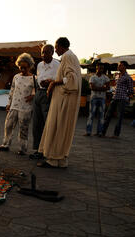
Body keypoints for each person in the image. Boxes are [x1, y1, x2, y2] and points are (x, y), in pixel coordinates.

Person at [37, 37, 82, 168]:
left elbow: (71, 79)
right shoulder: (70, 56)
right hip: (65, 98)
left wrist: (53, 83)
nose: (55, 50)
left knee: (58, 125)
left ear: (62, 46)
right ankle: (60, 160)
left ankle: (53, 159)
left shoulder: (68, 56)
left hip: (64, 98)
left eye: (56, 47)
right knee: (62, 127)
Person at [0, 53, 36, 155]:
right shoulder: (16, 77)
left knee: (23, 128)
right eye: (20, 67)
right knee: (8, 125)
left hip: (26, 107)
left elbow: (36, 90)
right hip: (14, 105)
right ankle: (5, 144)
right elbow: (12, 90)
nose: (22, 69)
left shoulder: (34, 78)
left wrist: (32, 95)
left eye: (25, 67)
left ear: (29, 66)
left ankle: (23, 148)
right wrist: (9, 103)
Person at [30, 44, 60, 160]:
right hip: (39, 93)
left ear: (52, 53)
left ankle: (48, 150)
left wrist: (50, 82)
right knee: (37, 123)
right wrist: (41, 82)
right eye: (42, 52)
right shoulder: (39, 65)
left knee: (48, 122)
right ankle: (38, 149)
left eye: (46, 52)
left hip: (50, 94)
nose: (43, 55)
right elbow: (38, 78)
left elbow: (59, 79)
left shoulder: (57, 65)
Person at [102, 61, 133, 138]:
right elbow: (116, 86)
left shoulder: (128, 77)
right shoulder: (117, 76)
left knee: (119, 117)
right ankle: (102, 132)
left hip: (122, 99)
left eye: (121, 65)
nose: (119, 67)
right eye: (118, 65)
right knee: (107, 115)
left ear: (125, 67)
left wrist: (125, 96)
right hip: (114, 98)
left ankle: (116, 134)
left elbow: (131, 90)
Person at [85, 63, 110, 137]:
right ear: (96, 68)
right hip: (94, 98)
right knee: (91, 115)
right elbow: (92, 88)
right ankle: (88, 131)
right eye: (99, 68)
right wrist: (103, 88)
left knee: (101, 116)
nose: (101, 69)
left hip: (102, 98)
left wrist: (97, 88)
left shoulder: (105, 77)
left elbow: (108, 88)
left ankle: (99, 132)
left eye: (102, 68)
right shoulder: (92, 77)